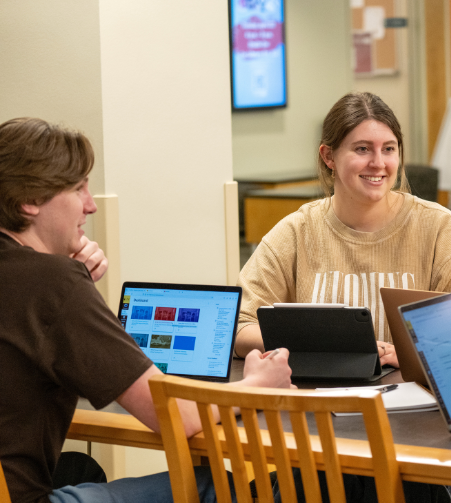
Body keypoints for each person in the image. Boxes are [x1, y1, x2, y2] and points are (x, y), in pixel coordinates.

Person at [0, 117, 294, 503]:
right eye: (77, 188)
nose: (91, 205)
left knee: (79, 467)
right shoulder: (54, 283)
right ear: (30, 201)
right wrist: (260, 383)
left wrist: (72, 278)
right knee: (214, 483)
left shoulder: (45, 280)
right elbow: (179, 417)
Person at [234, 92, 451, 364]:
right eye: (362, 149)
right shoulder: (295, 232)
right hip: (318, 398)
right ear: (329, 156)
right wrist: (325, 344)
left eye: (388, 149)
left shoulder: (442, 231)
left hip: (416, 397)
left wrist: (414, 353)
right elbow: (241, 327)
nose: (378, 163)